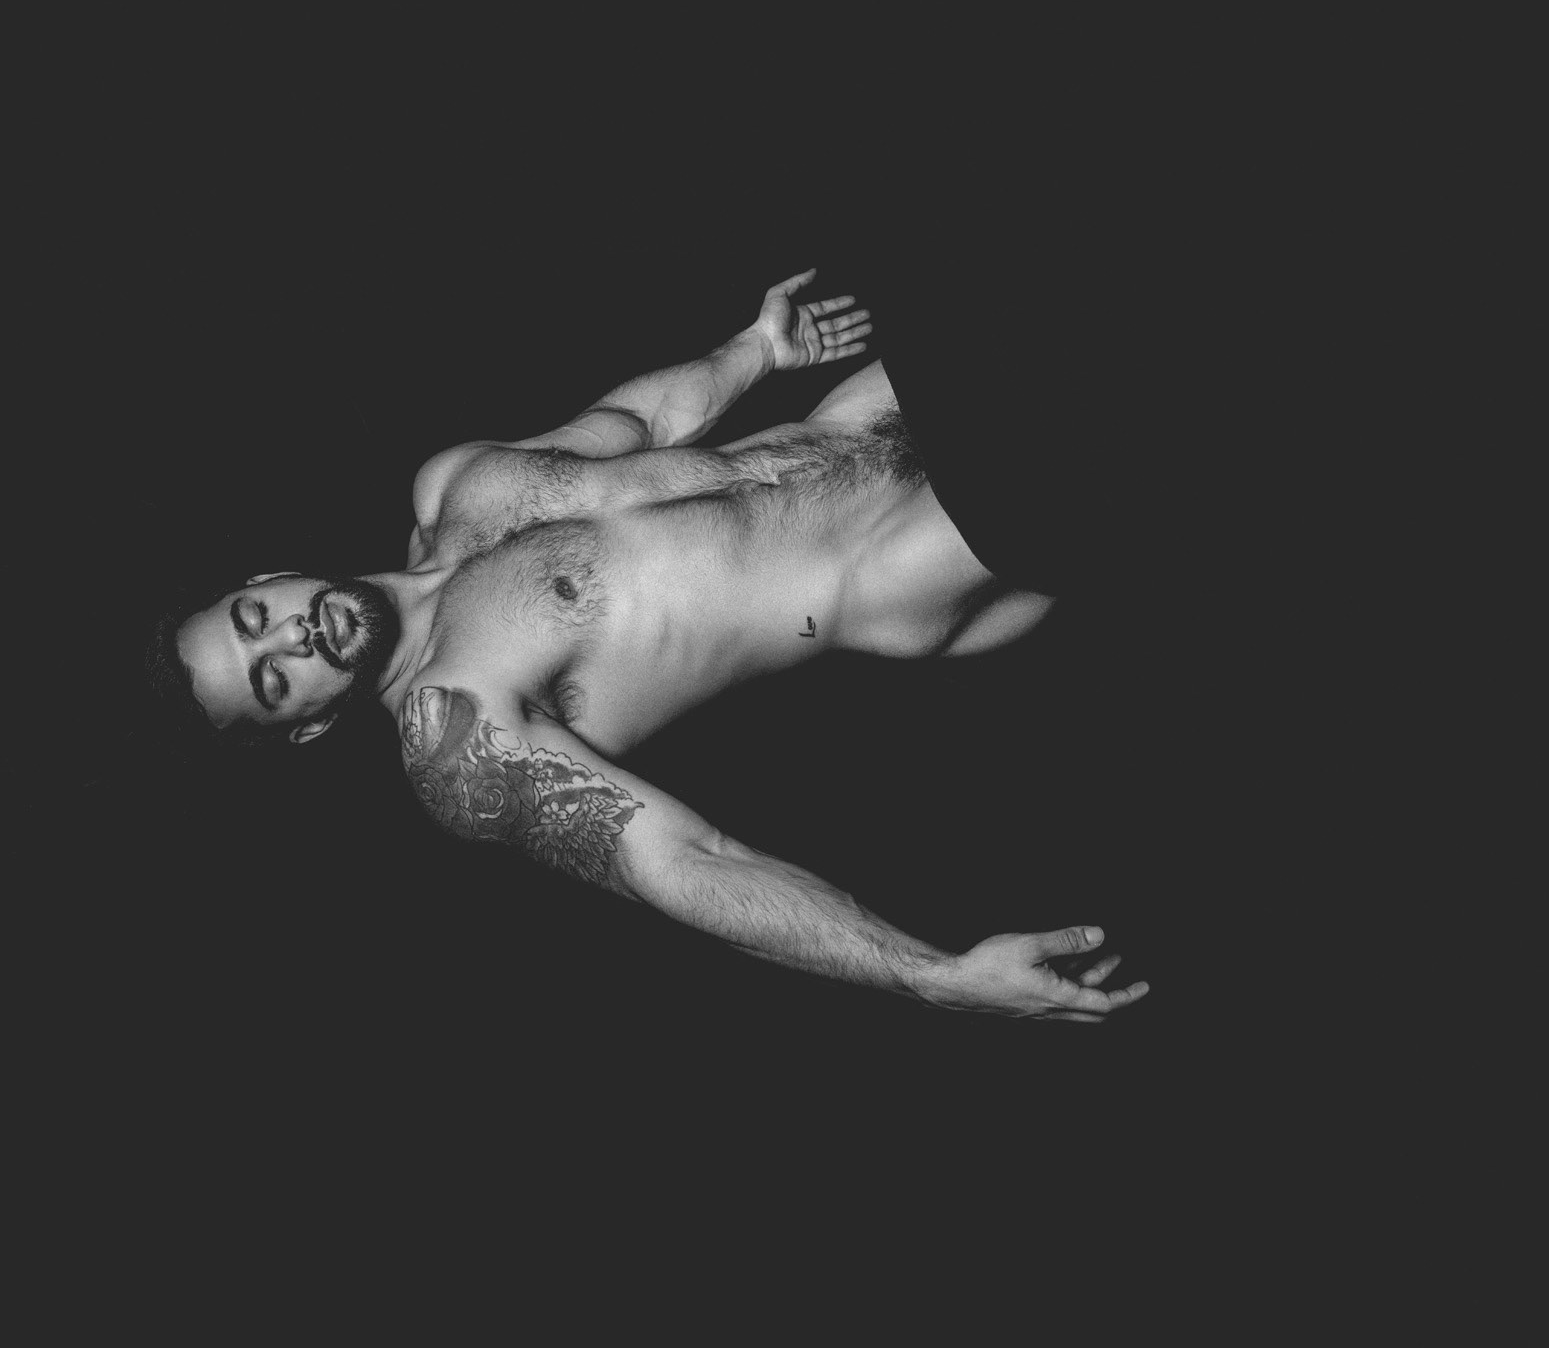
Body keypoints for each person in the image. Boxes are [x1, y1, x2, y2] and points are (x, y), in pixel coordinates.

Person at [149, 271, 1148, 1023]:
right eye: (273, 681)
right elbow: (680, 863)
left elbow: (630, 424)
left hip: (870, 411)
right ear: (308, 725)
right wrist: (928, 974)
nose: (290, 638)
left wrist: (752, 350)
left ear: (265, 578)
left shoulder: (452, 486)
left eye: (254, 620)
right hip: (913, 557)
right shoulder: (455, 731)